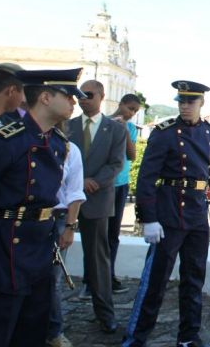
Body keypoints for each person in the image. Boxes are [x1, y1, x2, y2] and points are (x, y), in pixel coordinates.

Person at [0, 68, 85, 346]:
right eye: (68, 96)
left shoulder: (57, 145)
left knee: (29, 336)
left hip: (37, 256)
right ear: (45, 97)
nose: (74, 102)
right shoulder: (2, 143)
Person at [123, 81, 210, 347]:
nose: (185, 106)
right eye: (181, 101)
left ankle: (188, 337)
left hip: (197, 215)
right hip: (168, 214)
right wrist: (149, 218)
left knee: (194, 279)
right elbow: (146, 177)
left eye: (191, 101)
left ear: (201, 103)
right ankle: (136, 338)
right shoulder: (165, 133)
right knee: (154, 282)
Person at [69, 79, 126, 334]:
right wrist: (77, 182)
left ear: (102, 96)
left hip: (97, 198)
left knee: (98, 259)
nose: (83, 98)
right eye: (80, 94)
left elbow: (116, 164)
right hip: (66, 199)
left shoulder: (115, 130)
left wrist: (93, 182)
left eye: (89, 94)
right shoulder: (66, 126)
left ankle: (105, 314)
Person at [46, 123, 86, 347]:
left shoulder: (70, 149)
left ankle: (54, 331)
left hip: (58, 219)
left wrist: (70, 227)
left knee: (52, 279)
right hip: (28, 221)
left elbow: (74, 192)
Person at [108, 94, 141, 294]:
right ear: (120, 104)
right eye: (130, 108)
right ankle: (90, 280)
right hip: (103, 186)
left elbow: (132, 154)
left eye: (135, 111)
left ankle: (109, 275)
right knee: (97, 234)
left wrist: (125, 131)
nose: (131, 113)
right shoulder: (104, 123)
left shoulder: (130, 128)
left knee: (113, 233)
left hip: (121, 185)